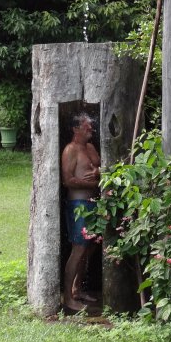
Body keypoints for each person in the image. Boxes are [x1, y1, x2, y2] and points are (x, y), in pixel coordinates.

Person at [61, 113, 101, 312]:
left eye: (91, 126)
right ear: (76, 129)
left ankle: (77, 289)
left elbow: (101, 169)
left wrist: (98, 173)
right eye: (86, 127)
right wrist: (92, 183)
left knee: (90, 247)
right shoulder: (70, 150)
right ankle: (68, 298)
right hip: (78, 204)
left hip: (94, 202)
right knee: (78, 248)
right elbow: (67, 180)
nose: (91, 129)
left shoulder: (91, 148)